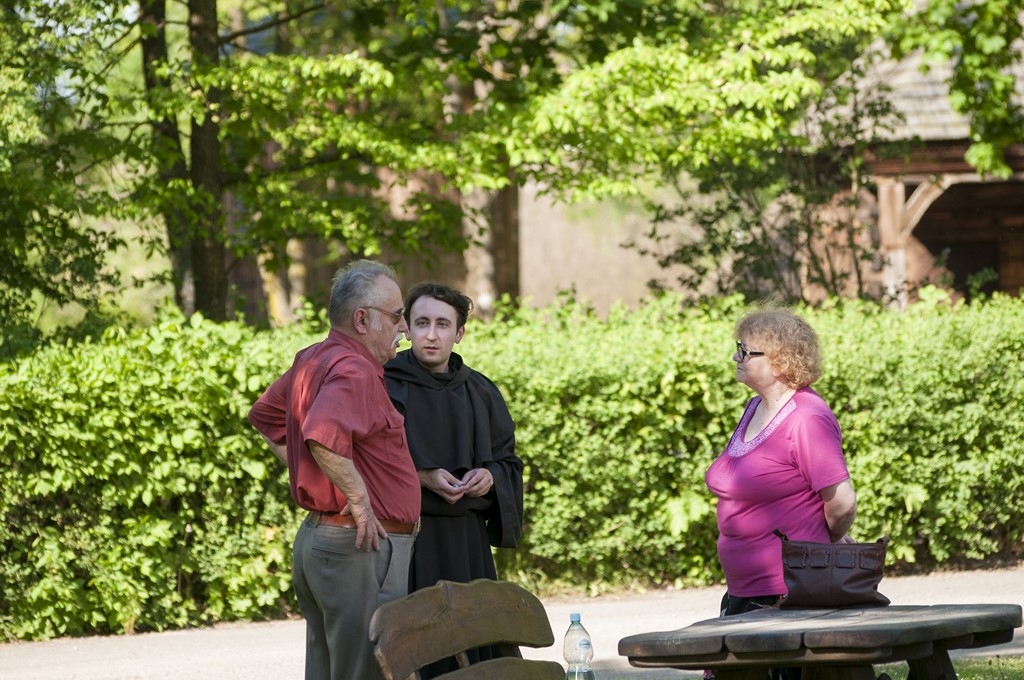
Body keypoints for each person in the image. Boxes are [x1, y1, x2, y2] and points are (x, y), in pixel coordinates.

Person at [247, 260, 421, 680]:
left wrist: (320, 474)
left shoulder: (315, 358)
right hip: (358, 546)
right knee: (368, 671)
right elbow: (322, 435)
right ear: (362, 320)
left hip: (327, 542)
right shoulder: (354, 368)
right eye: (396, 316)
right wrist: (358, 500)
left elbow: (267, 418)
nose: (404, 328)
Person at [383, 282, 524, 678]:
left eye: (443, 324)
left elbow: (508, 462)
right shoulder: (383, 384)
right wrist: (420, 476)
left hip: (467, 543)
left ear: (459, 333)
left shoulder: (481, 391)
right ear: (407, 328)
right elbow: (365, 462)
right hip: (406, 540)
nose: (431, 334)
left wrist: (490, 476)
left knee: (474, 646)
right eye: (422, 323)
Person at [705, 308, 857, 619]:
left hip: (788, 592)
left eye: (745, 351)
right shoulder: (755, 407)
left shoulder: (807, 418)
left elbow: (842, 503)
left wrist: (820, 539)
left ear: (779, 361)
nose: (736, 357)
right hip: (745, 590)